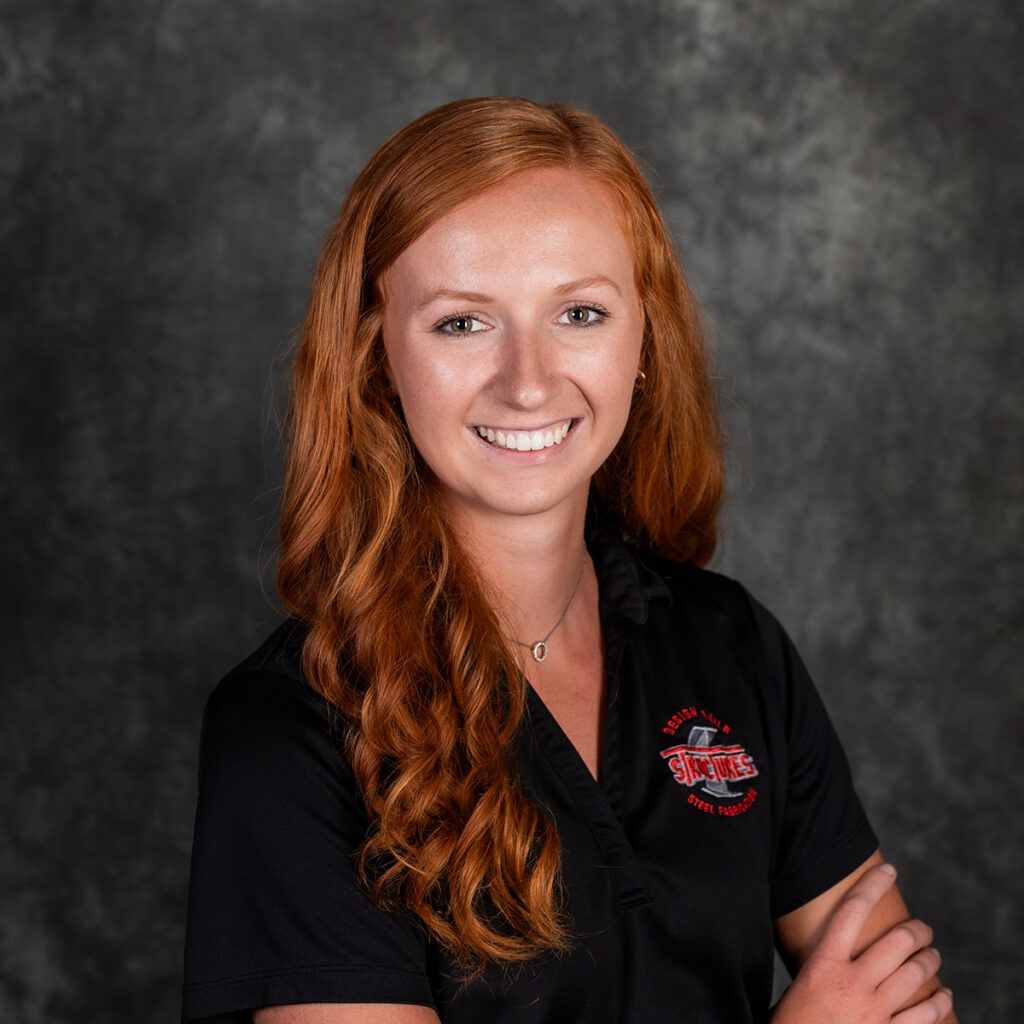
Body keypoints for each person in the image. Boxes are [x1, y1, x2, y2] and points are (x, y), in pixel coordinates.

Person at [182, 97, 955, 1024]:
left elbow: (905, 1004)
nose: (529, 382)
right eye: (462, 323)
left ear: (643, 340)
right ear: (375, 359)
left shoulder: (733, 646)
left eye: (579, 313)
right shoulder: (291, 729)